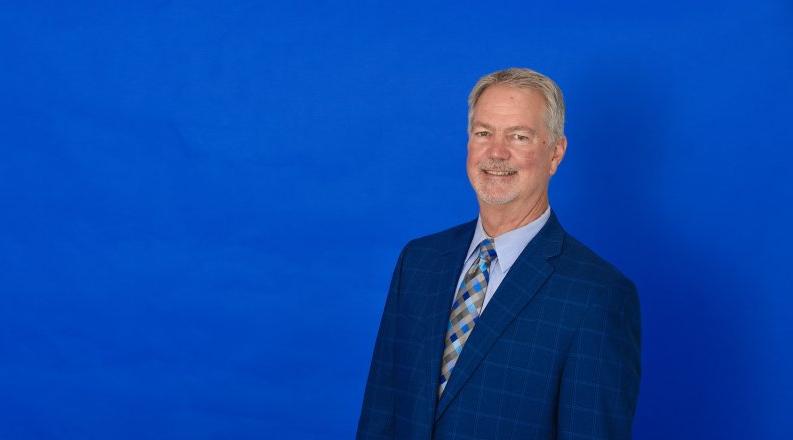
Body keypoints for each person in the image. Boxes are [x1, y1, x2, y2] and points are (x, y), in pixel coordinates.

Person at [357, 67, 641, 439]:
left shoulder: (598, 295)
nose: (496, 152)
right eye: (483, 133)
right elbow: (381, 414)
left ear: (555, 154)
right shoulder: (419, 262)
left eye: (519, 137)